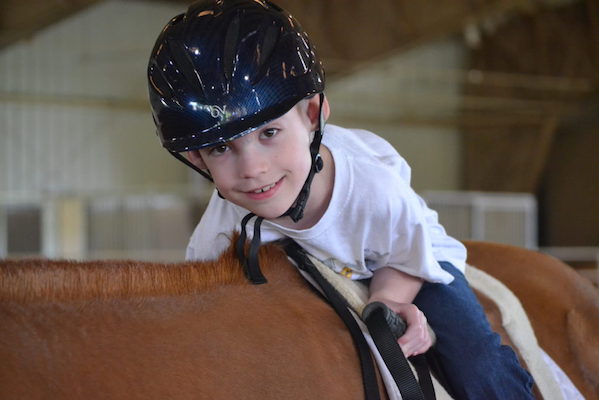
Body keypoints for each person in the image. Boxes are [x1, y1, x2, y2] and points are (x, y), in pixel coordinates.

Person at [147, 0, 534, 398]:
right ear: (196, 157)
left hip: (405, 256)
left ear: (312, 115)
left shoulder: (372, 191)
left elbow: (405, 253)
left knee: (480, 365)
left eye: (269, 134)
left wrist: (387, 299)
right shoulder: (220, 228)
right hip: (324, 259)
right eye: (221, 149)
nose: (252, 170)